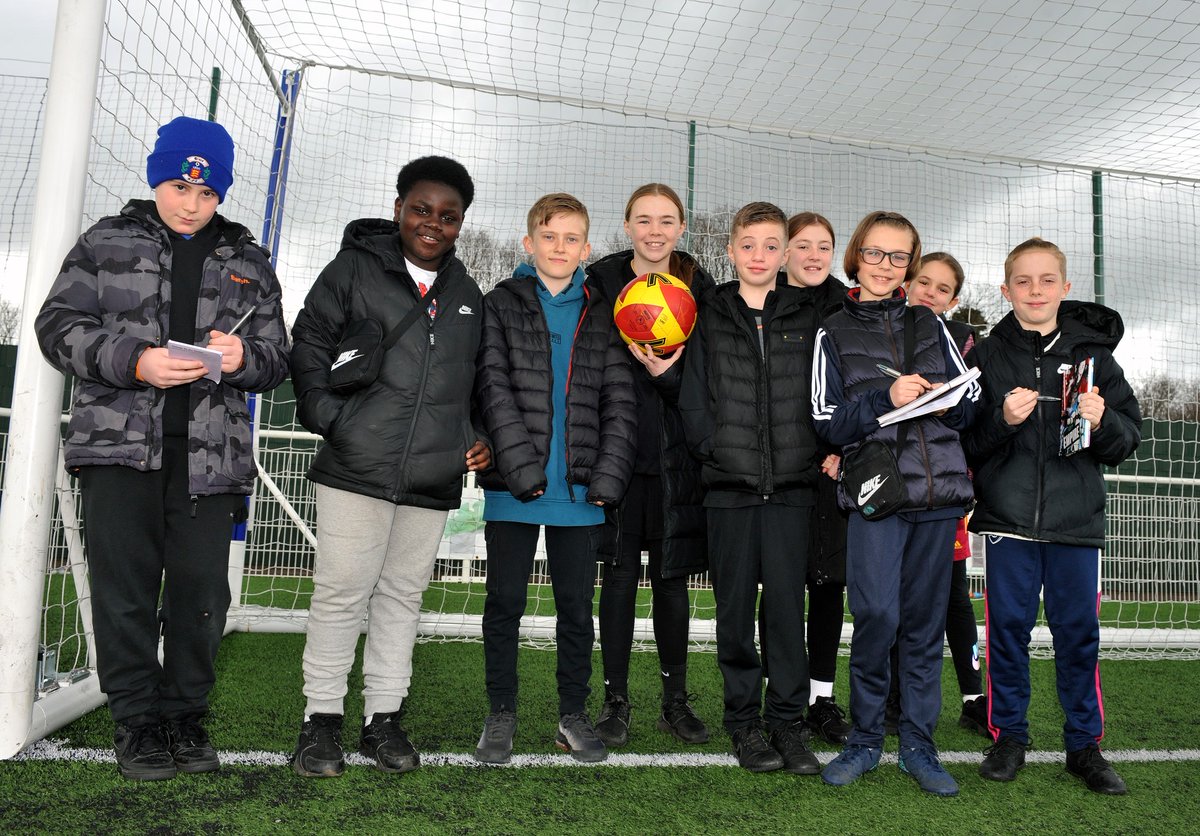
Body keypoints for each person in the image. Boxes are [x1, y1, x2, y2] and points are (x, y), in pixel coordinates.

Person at [35, 116, 290, 781]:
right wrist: (135, 361)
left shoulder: (250, 261)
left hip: (213, 459)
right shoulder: (106, 241)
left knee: (203, 594)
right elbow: (56, 326)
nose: (191, 203)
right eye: (180, 186)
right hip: (118, 451)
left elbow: (277, 358)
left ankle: (184, 716)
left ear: (220, 193)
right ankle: (138, 723)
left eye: (206, 192)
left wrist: (244, 357)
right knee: (124, 591)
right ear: (157, 179)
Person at [289, 155, 490, 777]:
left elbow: (475, 382)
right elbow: (309, 343)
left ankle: (384, 719)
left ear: (461, 224)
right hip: (356, 465)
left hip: (431, 476)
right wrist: (331, 418)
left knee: (403, 597)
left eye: (448, 216)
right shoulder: (352, 268)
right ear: (399, 207)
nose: (433, 223)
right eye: (421, 209)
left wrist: (476, 435)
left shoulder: (467, 294)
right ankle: (321, 721)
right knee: (342, 593)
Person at [965, 237, 1141, 795]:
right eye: (1023, 281)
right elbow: (965, 443)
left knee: (1078, 636)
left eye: (1046, 280)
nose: (1035, 290)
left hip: (1074, 524)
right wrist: (1002, 419)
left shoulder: (1096, 358)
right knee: (1006, 633)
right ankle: (1009, 737)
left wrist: (1103, 419)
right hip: (1008, 521)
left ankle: (1084, 746)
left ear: (1065, 287)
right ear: (1006, 290)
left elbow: (1127, 441)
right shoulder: (985, 356)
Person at [811, 211, 979, 796]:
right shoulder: (832, 331)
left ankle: (918, 746)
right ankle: (864, 741)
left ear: (910, 264)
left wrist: (948, 402)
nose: (885, 266)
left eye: (898, 256)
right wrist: (886, 396)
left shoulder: (931, 325)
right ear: (856, 256)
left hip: (937, 496)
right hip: (877, 498)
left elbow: (970, 405)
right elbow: (827, 422)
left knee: (925, 626)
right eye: (875, 253)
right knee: (878, 616)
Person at [472, 193, 635, 764]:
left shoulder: (606, 312)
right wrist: (520, 470)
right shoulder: (500, 302)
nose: (559, 247)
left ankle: (573, 714)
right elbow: (491, 388)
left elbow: (620, 403)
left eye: (571, 239)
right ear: (529, 243)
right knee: (504, 603)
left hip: (581, 493)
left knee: (575, 609)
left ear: (586, 249)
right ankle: (501, 712)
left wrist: (607, 479)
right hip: (512, 489)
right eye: (549, 236)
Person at [678, 202, 822, 775]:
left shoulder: (809, 315)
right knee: (734, 616)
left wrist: (810, 453)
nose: (758, 256)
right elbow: (693, 397)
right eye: (748, 245)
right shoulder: (708, 314)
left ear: (785, 254)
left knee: (786, 614)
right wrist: (714, 451)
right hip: (730, 492)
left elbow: (824, 392)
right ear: (731, 250)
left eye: (770, 245)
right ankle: (744, 724)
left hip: (791, 492)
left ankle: (787, 723)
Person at [587, 184, 714, 748]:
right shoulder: (601, 283)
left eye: (666, 220)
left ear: (681, 228)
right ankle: (615, 701)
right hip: (617, 457)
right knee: (617, 580)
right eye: (644, 220)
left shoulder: (700, 289)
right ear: (627, 225)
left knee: (671, 582)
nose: (654, 231)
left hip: (676, 461)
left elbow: (706, 380)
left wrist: (670, 374)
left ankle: (675, 702)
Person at [881, 251, 987, 737]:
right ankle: (892, 698)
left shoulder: (964, 343)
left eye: (943, 289)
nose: (930, 292)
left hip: (944, 488)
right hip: (892, 483)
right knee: (894, 596)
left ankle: (973, 696)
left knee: (952, 594)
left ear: (954, 300)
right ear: (908, 281)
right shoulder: (886, 329)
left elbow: (974, 413)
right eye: (924, 281)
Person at [780, 212, 853, 747]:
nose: (812, 255)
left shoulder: (847, 307)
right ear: (784, 251)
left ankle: (821, 698)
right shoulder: (763, 301)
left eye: (823, 246)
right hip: (779, 467)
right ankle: (781, 695)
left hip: (832, 469)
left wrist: (843, 450)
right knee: (781, 588)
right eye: (802, 245)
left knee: (828, 585)